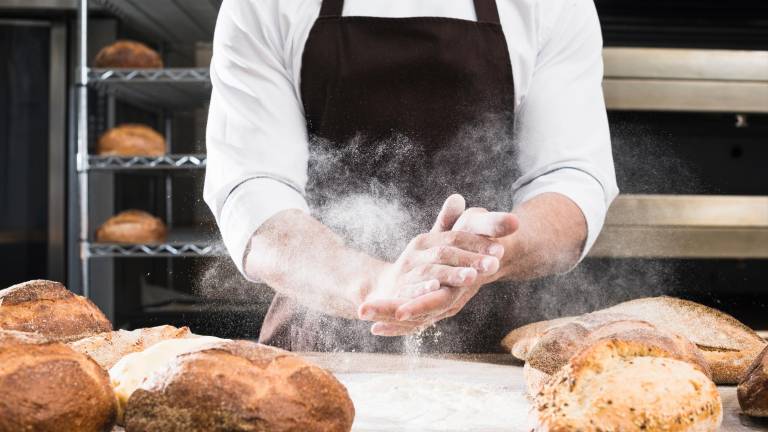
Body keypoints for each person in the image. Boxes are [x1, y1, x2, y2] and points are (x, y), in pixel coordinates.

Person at [204, 0, 618, 353]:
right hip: (318, 344)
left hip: (498, 347)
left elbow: (570, 178)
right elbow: (254, 190)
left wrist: (485, 253)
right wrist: (372, 282)